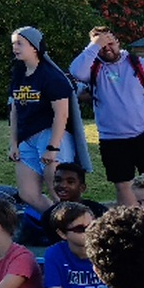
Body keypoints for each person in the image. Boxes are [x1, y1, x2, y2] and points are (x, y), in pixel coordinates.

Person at [70, 26, 144, 208]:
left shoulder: (138, 64)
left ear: (118, 42)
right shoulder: (93, 68)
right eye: (101, 46)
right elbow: (76, 71)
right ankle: (131, 224)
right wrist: (94, 46)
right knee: (123, 185)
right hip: (113, 139)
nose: (107, 48)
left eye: (110, 43)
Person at [8, 26, 87, 223]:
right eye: (13, 44)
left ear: (34, 47)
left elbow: (61, 114)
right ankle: (58, 223)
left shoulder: (51, 76)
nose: (15, 48)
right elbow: (15, 109)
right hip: (26, 137)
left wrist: (53, 147)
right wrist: (13, 142)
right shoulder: (18, 73)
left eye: (20, 43)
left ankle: (75, 225)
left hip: (50, 135)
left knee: (58, 190)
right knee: (27, 193)